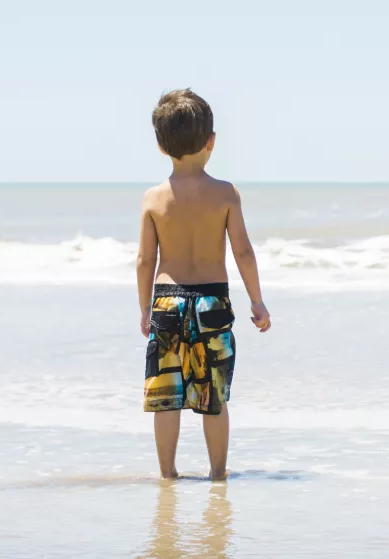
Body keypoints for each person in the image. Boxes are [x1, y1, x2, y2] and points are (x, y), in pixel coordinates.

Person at [136, 89, 271, 480]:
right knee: (213, 397)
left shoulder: (153, 198)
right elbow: (243, 252)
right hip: (211, 303)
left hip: (167, 304)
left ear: (161, 146)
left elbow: (146, 260)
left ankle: (168, 475)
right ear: (211, 141)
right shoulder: (225, 193)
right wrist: (258, 302)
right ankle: (217, 475)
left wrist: (145, 308)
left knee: (166, 398)